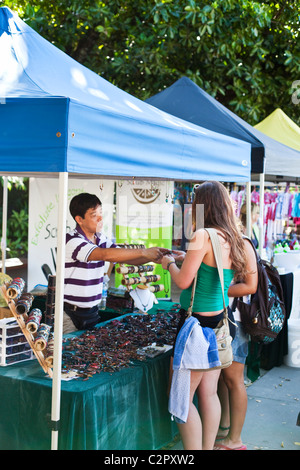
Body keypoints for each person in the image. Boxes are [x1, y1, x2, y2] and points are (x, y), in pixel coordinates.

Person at [161, 181, 257, 450]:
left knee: (181, 398)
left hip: (195, 325)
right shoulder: (236, 239)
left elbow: (183, 281)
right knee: (210, 393)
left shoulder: (202, 235)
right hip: (219, 324)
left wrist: (169, 263)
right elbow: (228, 280)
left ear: (202, 205)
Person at [64, 192, 166, 331]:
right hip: (70, 314)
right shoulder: (72, 240)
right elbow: (105, 254)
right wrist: (144, 252)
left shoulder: (100, 238)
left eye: (101, 213)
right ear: (79, 219)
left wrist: (155, 256)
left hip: (92, 311)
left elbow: (126, 258)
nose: (100, 218)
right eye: (94, 215)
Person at [215, 204, 258, 450]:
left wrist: (217, 289)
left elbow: (251, 286)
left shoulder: (241, 242)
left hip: (237, 320)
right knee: (225, 378)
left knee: (234, 380)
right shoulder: (225, 240)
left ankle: (235, 440)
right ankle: (225, 429)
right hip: (224, 318)